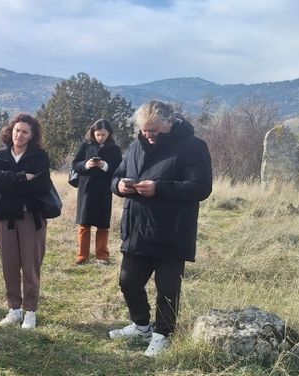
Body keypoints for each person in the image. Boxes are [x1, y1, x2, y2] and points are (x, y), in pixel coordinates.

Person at [109, 100, 212, 357]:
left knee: (167, 289)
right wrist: (118, 186)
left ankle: (163, 335)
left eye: (153, 130)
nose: (148, 135)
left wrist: (159, 188)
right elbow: (117, 175)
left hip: (173, 231)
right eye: (144, 130)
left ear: (169, 122)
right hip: (137, 229)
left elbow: (201, 187)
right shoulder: (136, 146)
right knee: (128, 282)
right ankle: (141, 326)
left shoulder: (193, 146)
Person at [0, 114, 52, 330]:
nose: (20, 135)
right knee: (9, 265)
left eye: (25, 132)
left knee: (31, 266)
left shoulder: (39, 156)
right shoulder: (1, 155)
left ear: (32, 135)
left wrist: (8, 182)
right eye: (17, 130)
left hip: (31, 219)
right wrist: (23, 177)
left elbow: (41, 186)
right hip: (4, 218)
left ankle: (30, 311)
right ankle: (14, 309)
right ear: (11, 131)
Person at [69, 119, 122, 265]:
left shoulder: (114, 149)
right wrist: (87, 164)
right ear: (93, 133)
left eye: (103, 134)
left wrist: (105, 166)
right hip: (86, 189)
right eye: (97, 134)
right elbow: (75, 164)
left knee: (103, 224)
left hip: (104, 190)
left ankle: (102, 256)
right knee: (84, 223)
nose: (100, 137)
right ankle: (82, 255)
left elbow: (119, 169)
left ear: (109, 133)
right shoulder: (86, 145)